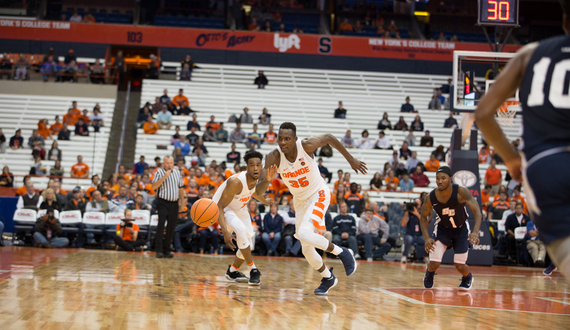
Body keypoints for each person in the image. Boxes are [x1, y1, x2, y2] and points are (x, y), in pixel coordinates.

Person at [474, 0, 570, 284]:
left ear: (564, 20)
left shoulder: (530, 54)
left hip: (545, 166)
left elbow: (482, 113)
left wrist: (512, 158)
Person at [256, 122, 367, 295]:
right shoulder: (273, 157)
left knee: (304, 235)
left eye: (287, 139)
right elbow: (258, 191)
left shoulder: (305, 146)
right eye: (280, 139)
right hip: (300, 201)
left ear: (295, 139)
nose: (282, 142)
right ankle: (328, 277)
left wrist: (351, 159)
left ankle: (344, 252)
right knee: (306, 248)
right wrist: (267, 180)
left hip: (318, 194)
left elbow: (329, 137)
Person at [213, 150, 272, 284]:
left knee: (248, 245)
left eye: (258, 165)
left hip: (240, 209)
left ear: (261, 166)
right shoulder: (236, 182)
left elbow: (253, 192)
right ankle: (253, 269)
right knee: (240, 230)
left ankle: (232, 271)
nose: (255, 168)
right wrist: (225, 232)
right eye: (252, 165)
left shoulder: (258, 178)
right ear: (247, 167)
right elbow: (219, 206)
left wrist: (264, 201)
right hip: (225, 209)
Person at [421, 166, 482, 290]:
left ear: (450, 179)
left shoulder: (461, 191)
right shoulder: (430, 197)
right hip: (443, 229)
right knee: (434, 263)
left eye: (443, 178)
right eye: (437, 179)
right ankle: (429, 273)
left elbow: (478, 213)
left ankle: (467, 277)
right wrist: (427, 238)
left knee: (460, 265)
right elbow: (423, 217)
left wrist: (475, 232)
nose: (440, 181)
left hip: (461, 229)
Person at [151, 156, 184, 258]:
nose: (169, 165)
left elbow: (181, 188)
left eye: (171, 163)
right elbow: (153, 187)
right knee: (161, 225)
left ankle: (166, 249)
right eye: (167, 163)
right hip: (162, 202)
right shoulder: (159, 173)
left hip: (174, 203)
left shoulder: (177, 173)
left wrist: (182, 202)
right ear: (163, 164)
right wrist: (164, 177)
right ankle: (159, 250)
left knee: (171, 227)